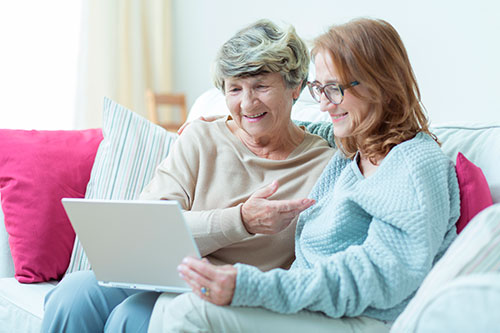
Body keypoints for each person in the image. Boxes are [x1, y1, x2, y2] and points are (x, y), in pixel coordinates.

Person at [148, 18, 461, 332]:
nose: (324, 104)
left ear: (382, 86)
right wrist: (229, 124)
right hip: (314, 306)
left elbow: (381, 276)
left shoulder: (415, 165)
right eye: (319, 89)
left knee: (189, 312)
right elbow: (299, 130)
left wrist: (253, 287)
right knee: (166, 306)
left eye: (334, 89)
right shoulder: (355, 150)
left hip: (367, 318)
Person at [41, 20, 335, 332]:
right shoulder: (201, 138)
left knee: (134, 316)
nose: (247, 103)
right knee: (72, 295)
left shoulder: (324, 164)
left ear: (296, 86)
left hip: (233, 291)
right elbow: (149, 225)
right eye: (235, 89)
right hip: (168, 271)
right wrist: (241, 221)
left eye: (261, 86)